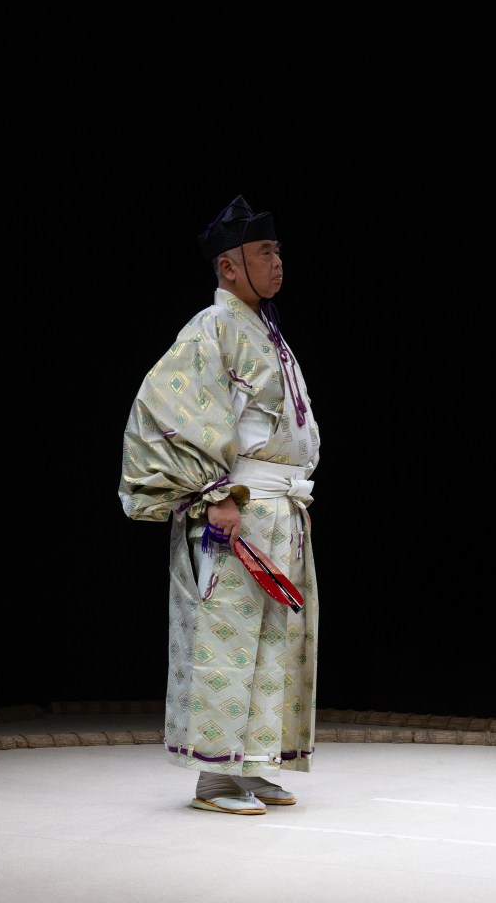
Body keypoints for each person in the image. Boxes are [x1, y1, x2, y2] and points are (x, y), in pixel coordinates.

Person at [118, 194, 321, 815]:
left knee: (274, 641)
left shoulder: (266, 330)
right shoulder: (212, 327)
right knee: (226, 637)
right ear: (229, 266)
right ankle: (214, 777)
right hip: (234, 510)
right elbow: (169, 411)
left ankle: (254, 764)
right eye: (264, 252)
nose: (277, 262)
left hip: (277, 508)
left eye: (278, 251)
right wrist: (213, 496)